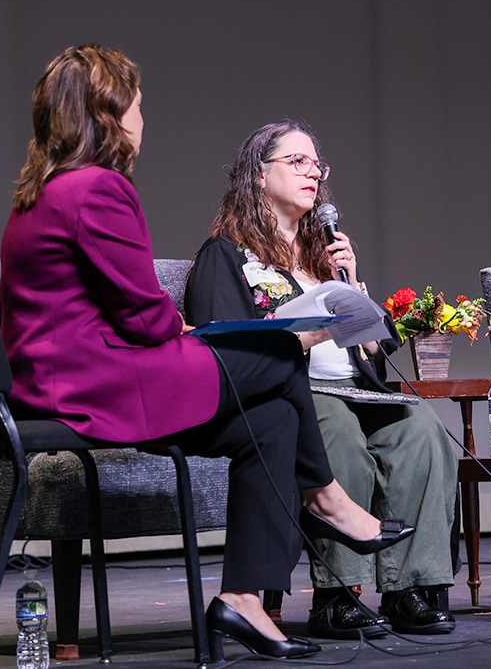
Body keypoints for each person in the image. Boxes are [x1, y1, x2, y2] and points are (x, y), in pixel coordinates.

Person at [0, 45, 411, 661]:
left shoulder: (39, 194)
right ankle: (327, 499)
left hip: (62, 378)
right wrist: (185, 328)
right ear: (109, 113)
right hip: (95, 385)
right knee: (279, 354)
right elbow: (142, 317)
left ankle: (244, 599)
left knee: (271, 418)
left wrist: (181, 330)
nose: (142, 119)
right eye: (138, 106)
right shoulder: (99, 189)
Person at [185, 122, 458, 638]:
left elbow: (374, 349)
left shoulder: (324, 256)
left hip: (357, 387)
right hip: (292, 393)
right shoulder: (226, 255)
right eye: (297, 161)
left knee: (421, 428)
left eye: (317, 165)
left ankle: (411, 588)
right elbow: (222, 345)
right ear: (258, 174)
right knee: (337, 429)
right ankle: (339, 595)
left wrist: (353, 289)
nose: (312, 173)